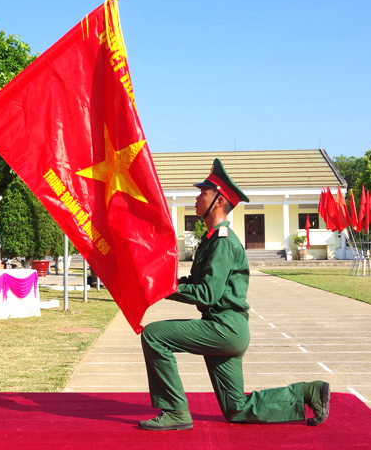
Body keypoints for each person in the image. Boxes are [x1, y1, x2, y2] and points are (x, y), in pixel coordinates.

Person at [138, 158, 330, 431]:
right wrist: (157, 282)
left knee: (154, 335)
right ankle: (307, 393)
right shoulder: (212, 240)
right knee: (235, 409)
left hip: (224, 328)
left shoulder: (223, 243)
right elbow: (193, 282)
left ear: (218, 200)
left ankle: (175, 411)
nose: (196, 198)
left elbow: (206, 294)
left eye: (202, 192)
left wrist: (164, 288)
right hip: (224, 328)